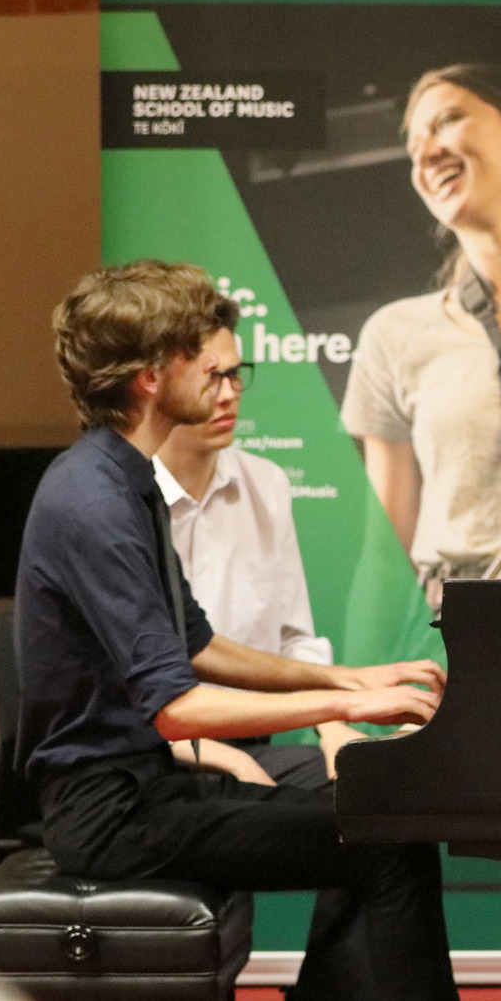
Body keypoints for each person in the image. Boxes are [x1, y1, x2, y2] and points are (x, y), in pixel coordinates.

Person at [18, 260, 459, 1001]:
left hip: (151, 786)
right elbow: (178, 706)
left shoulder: (127, 479)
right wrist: (345, 707)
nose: (226, 378)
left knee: (382, 812)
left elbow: (197, 644)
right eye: (202, 356)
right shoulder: (94, 501)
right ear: (153, 375)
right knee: (386, 844)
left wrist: (349, 678)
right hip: (114, 815)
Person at [341, 61, 501, 611]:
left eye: (447, 121)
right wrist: (361, 681)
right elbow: (384, 553)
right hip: (448, 632)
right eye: (413, 145)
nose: (425, 153)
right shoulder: (396, 333)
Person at [155, 324, 359, 789]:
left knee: (373, 792)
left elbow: (293, 639)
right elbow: (121, 693)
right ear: (160, 385)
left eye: (235, 374)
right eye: (211, 379)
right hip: (157, 755)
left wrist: (333, 726)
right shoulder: (124, 498)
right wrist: (228, 761)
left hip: (255, 740)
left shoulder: (266, 483)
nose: (228, 395)